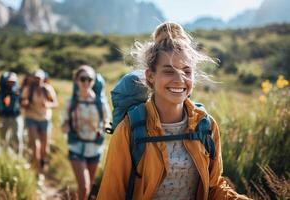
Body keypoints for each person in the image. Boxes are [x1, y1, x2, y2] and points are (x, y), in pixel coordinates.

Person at [97, 22, 250, 200]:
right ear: (150, 76)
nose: (180, 79)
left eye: (187, 71)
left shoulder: (205, 126)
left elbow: (214, 187)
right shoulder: (129, 129)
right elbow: (111, 193)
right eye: (169, 71)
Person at [61, 65, 111, 200]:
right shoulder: (71, 102)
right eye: (83, 79)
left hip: (95, 148)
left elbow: (107, 121)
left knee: (87, 187)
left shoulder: (101, 103)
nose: (86, 82)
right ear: (76, 80)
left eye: (90, 79)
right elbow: (64, 122)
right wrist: (65, 126)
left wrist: (106, 127)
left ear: (94, 81)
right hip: (76, 147)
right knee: (84, 186)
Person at [21, 69, 58, 174]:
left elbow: (55, 103)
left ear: (43, 79)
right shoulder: (28, 89)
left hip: (45, 119)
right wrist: (25, 103)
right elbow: (22, 101)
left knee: (44, 148)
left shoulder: (48, 89)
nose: (37, 80)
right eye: (35, 78)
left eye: (39, 78)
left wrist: (48, 105)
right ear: (32, 79)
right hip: (31, 118)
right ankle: (38, 171)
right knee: (35, 146)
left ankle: (41, 164)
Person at [0, 71, 24, 156]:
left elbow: (22, 102)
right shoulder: (1, 93)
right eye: (9, 81)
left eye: (13, 82)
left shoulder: (17, 92)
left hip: (15, 117)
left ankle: (17, 156)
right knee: (3, 137)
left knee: (17, 136)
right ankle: (4, 155)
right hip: (3, 117)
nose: (11, 83)